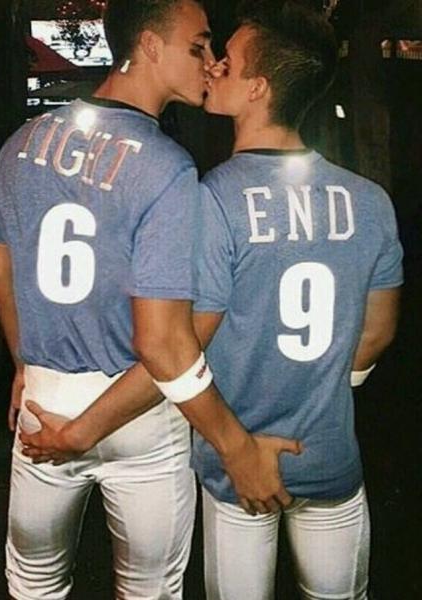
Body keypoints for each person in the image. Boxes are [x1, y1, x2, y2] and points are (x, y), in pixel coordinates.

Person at [0, 1, 301, 599]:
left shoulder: (22, 143)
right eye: (198, 46)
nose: (210, 62)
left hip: (45, 399)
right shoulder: (166, 168)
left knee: (33, 580)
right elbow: (165, 343)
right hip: (141, 408)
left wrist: (26, 364)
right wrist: (233, 448)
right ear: (150, 46)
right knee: (150, 588)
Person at [191, 1, 403, 598]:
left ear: (257, 87)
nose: (213, 66)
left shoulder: (213, 199)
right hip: (326, 450)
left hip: (236, 459)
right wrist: (324, 387)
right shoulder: (370, 201)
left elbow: (186, 339)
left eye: (228, 61)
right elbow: (377, 332)